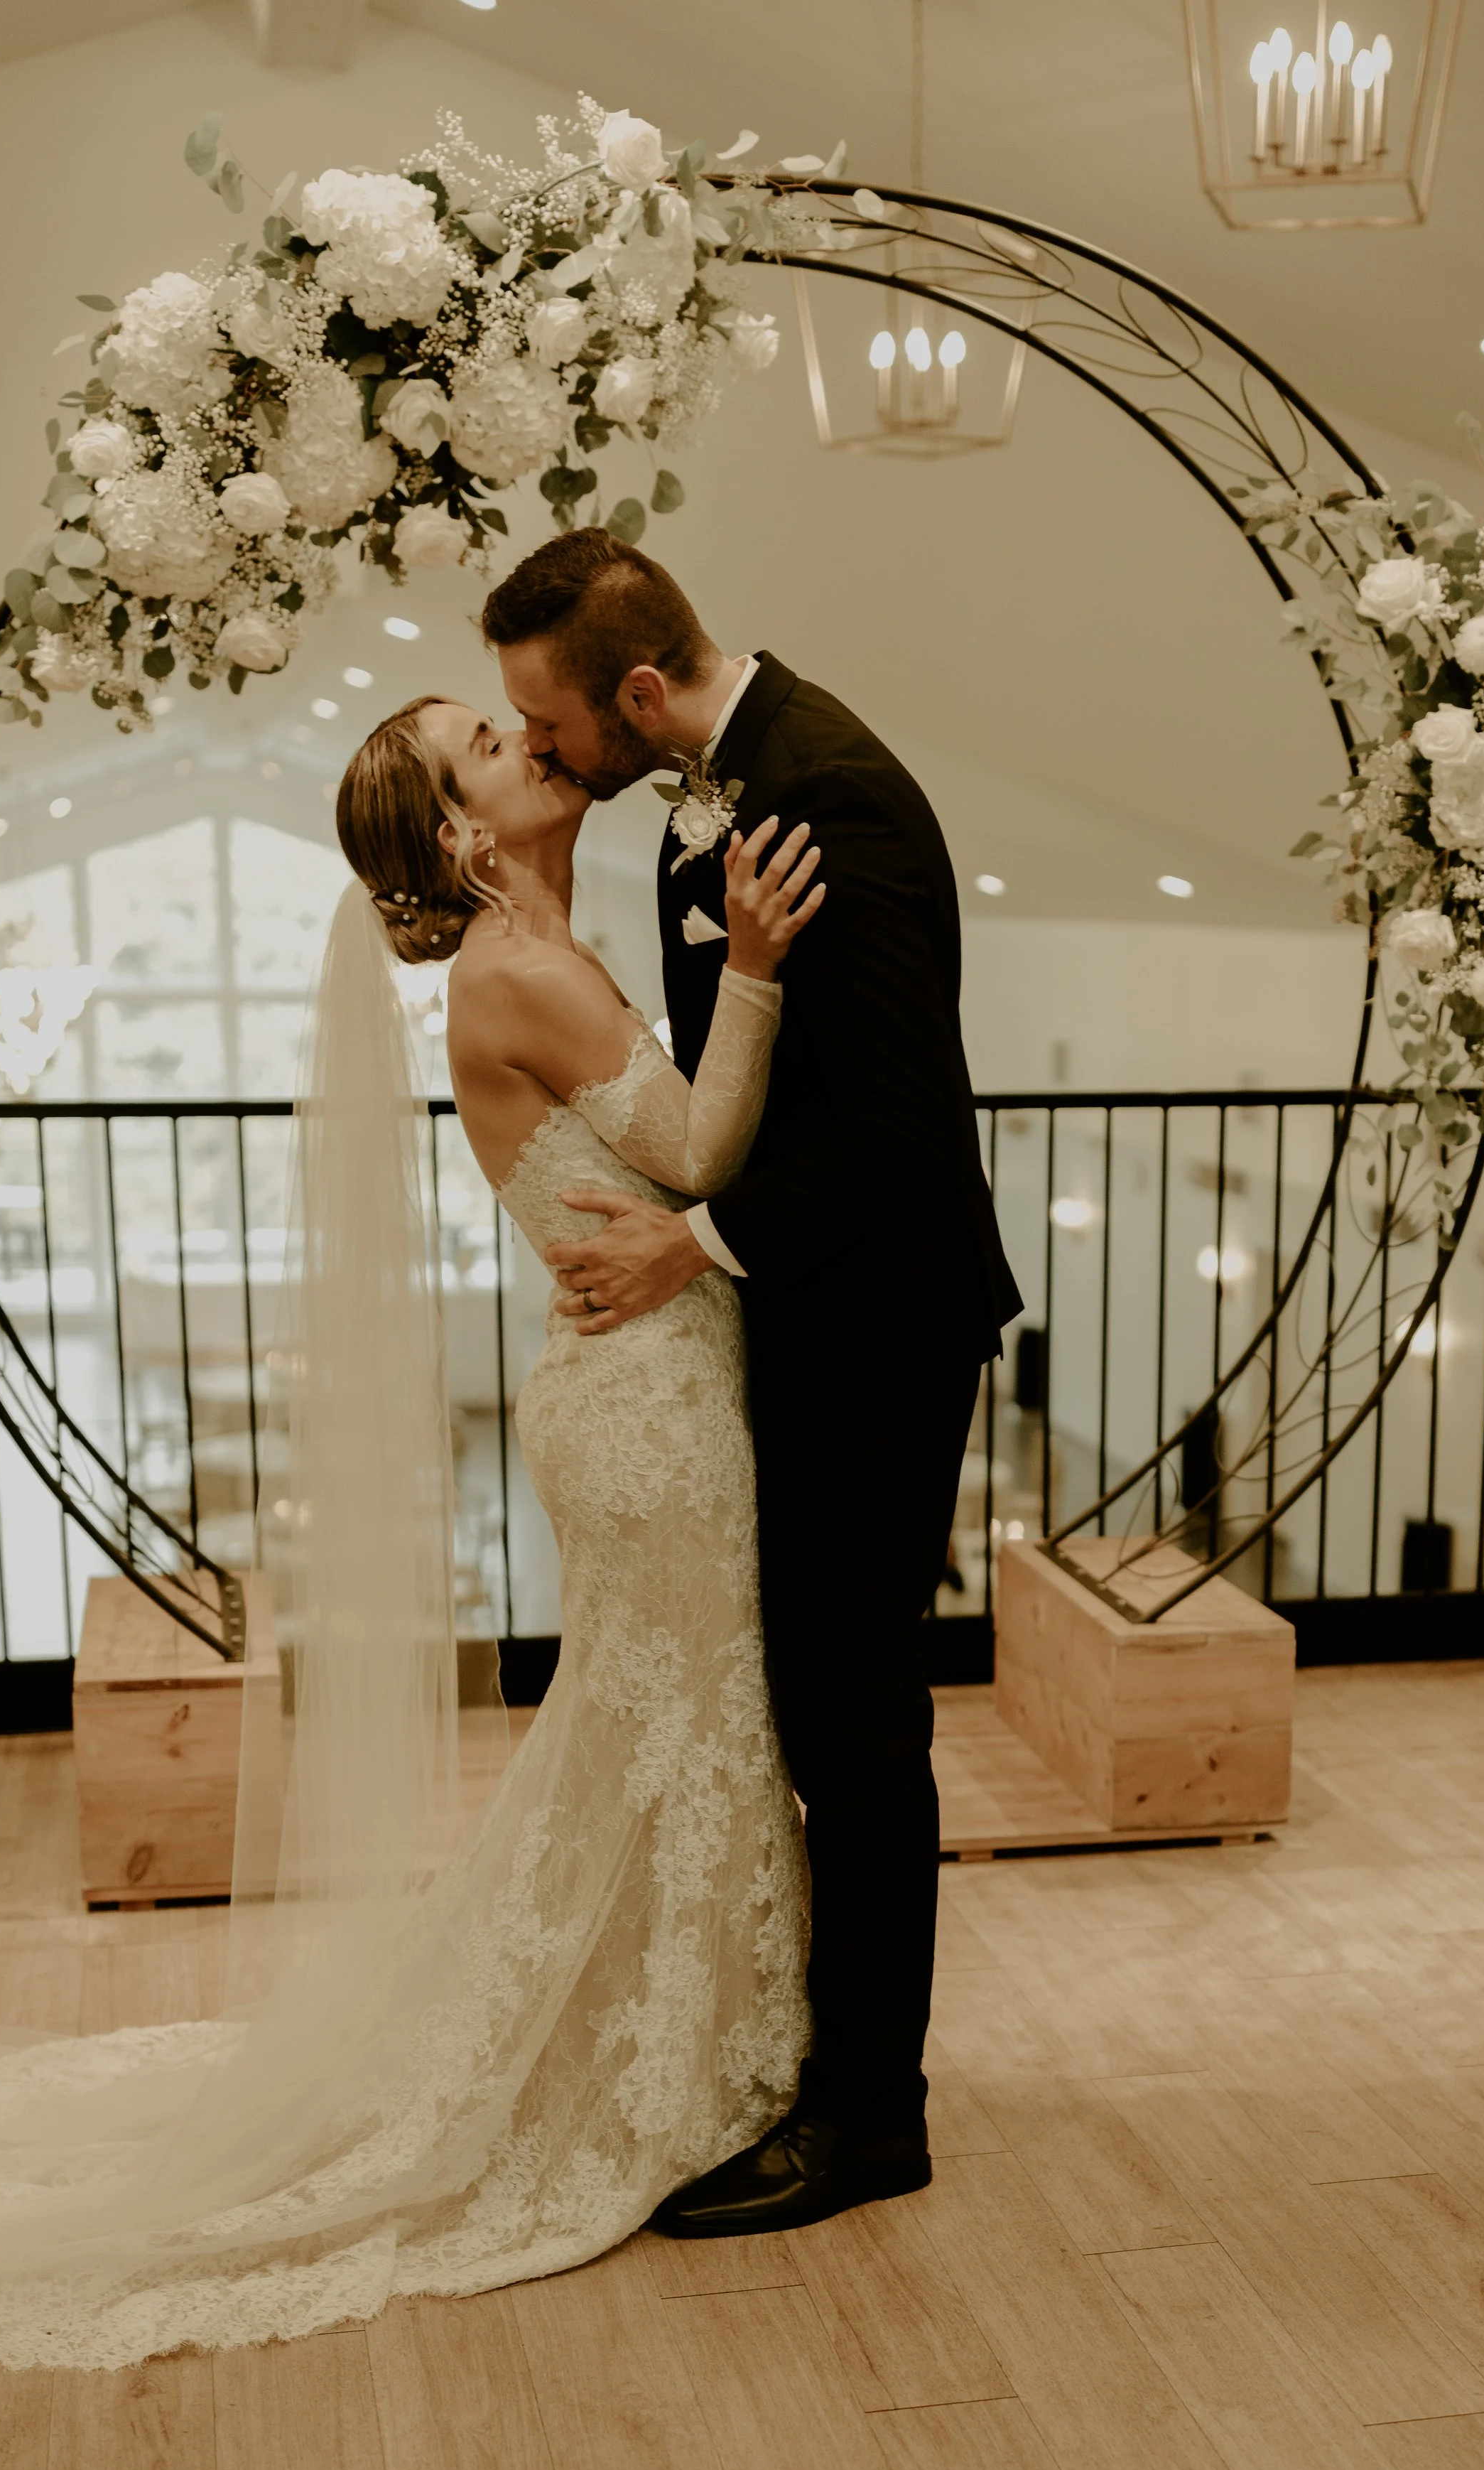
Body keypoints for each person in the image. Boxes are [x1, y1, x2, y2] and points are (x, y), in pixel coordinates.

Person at [0, 694, 820, 2370]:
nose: (527, 739)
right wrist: (757, 968)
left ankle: (674, 2043)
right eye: (487, 746)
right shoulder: (519, 972)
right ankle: (676, 2066)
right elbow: (705, 1144)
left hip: (644, 1385)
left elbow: (664, 1177)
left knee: (663, 1728)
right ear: (459, 833)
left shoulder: (537, 951)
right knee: (684, 1723)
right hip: (642, 1407)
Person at [482, 529, 1021, 2238]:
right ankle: (789, 2054)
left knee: (856, 1720)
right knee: (795, 1702)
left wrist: (690, 1252)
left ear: (638, 690)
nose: (548, 754)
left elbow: (882, 1127)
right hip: (790, 1318)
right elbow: (724, 1072)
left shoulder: (829, 797)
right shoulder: (704, 794)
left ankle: (871, 2117)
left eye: (547, 722)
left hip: (873, 1325)